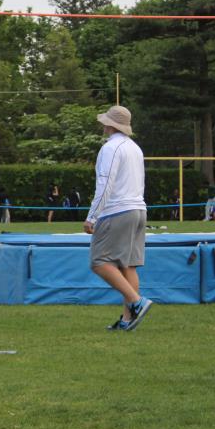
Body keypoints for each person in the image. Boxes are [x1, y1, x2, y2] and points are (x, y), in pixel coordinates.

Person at [83, 105, 152, 332]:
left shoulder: (110, 148)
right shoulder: (135, 148)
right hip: (138, 209)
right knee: (128, 265)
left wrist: (92, 216)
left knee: (99, 261)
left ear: (110, 125)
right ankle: (127, 319)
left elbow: (105, 184)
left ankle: (136, 302)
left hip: (117, 211)